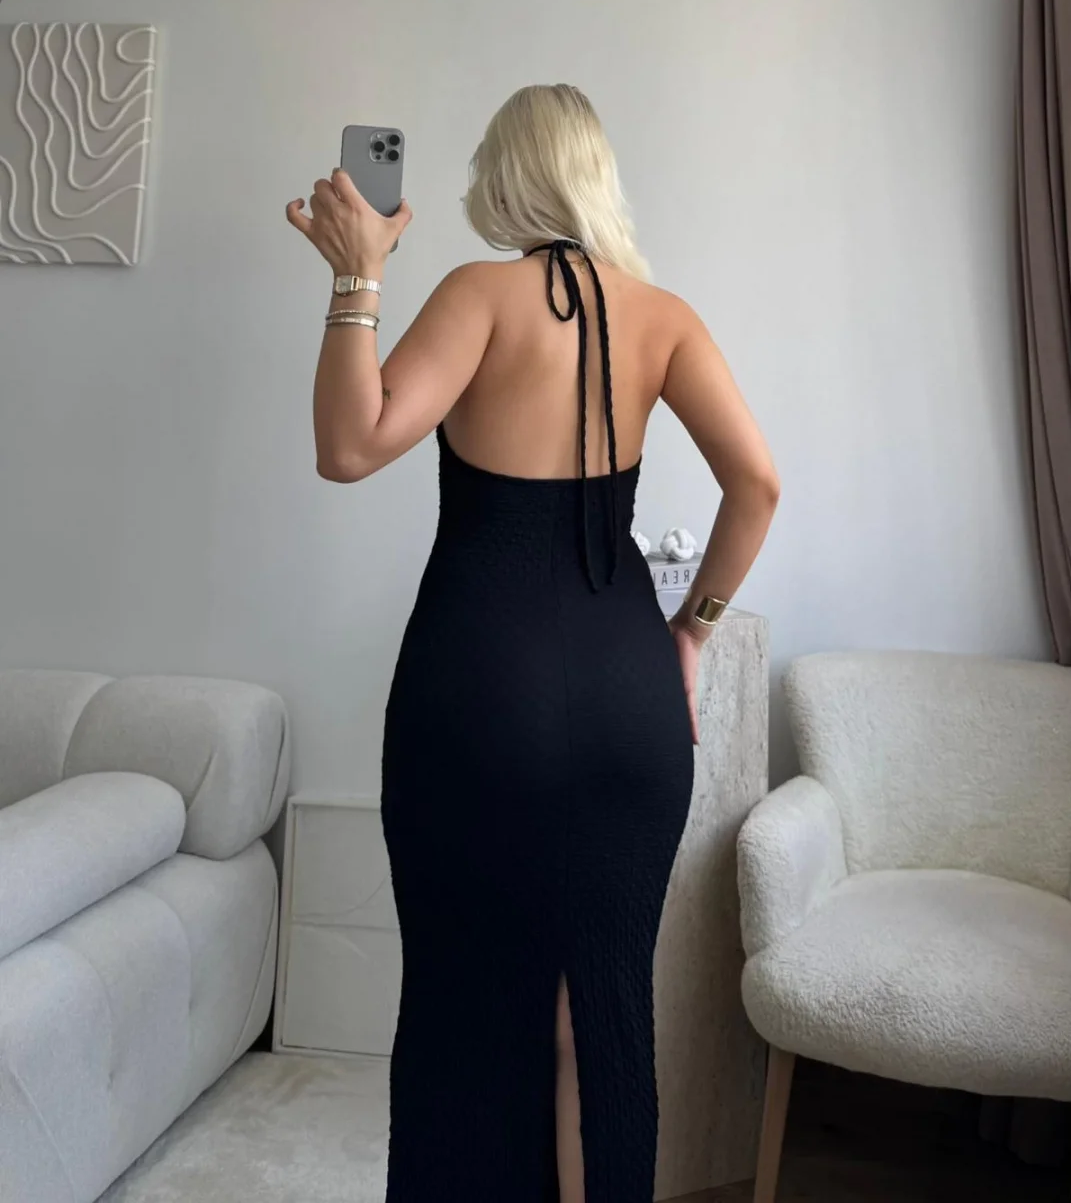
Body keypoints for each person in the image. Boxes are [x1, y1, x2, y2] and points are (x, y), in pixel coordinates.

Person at [286, 84, 779, 1203]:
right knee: (598, 1010)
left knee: (464, 998)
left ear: (508, 180)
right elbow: (758, 482)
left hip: (476, 695)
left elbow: (349, 447)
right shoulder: (666, 318)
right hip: (629, 700)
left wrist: (357, 278)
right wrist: (691, 633)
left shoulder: (479, 294)